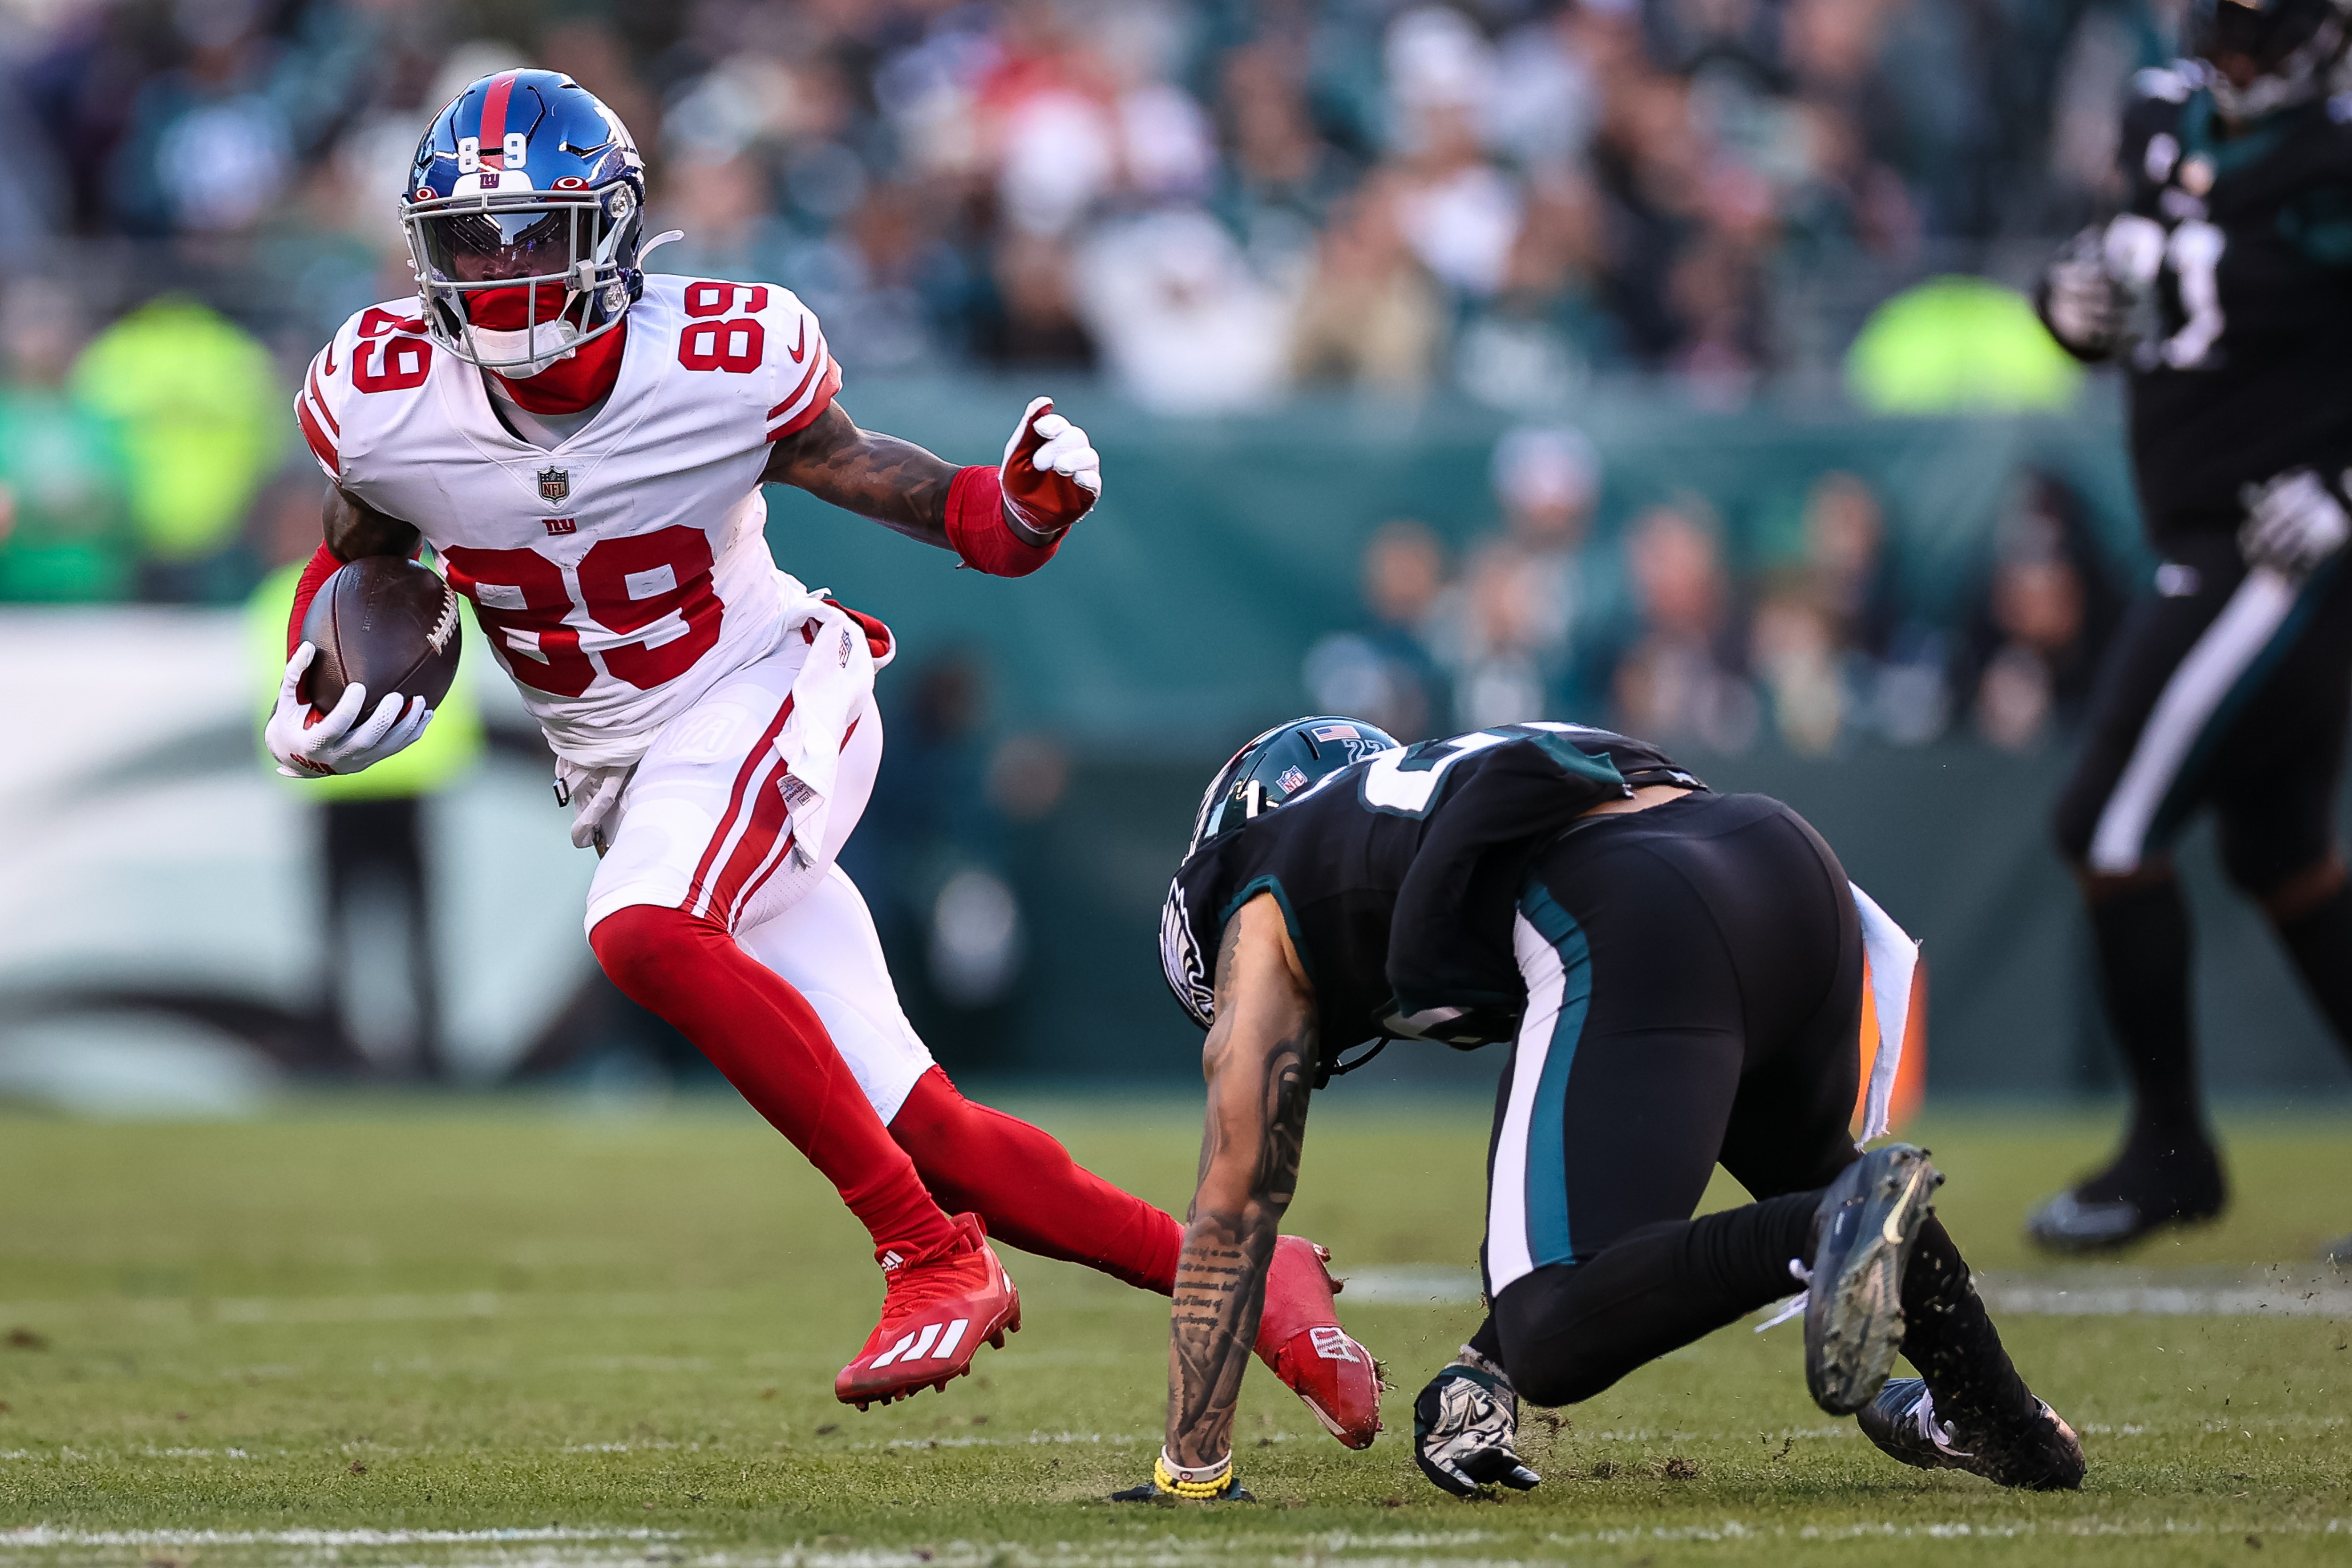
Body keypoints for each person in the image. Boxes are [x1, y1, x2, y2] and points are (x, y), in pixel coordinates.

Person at [259, 70, 1381, 1434]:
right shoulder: (384, 393)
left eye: (533, 235)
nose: (497, 276)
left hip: (772, 690)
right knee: (938, 1129)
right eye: (468, 244)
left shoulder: (718, 357)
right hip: (629, 771)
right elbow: (360, 549)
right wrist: (306, 686)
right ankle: (1259, 1281)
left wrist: (1015, 511)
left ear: (610, 233)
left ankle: (928, 1255)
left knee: (643, 930)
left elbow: (906, 490)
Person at [1120, 716, 2084, 1502]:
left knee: (1553, 1328)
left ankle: (1827, 1223)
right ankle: (2005, 1421)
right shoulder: (1420, 790)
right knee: (1800, 1162)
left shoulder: (1260, 890)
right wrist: (1478, 1364)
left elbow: (1234, 1206)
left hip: (1637, 905)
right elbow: (1619, 1169)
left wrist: (1191, 1467)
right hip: (1781, 865)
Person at [2029, 0, 2352, 1255]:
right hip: (2199, 533)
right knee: (2284, 858)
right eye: (2219, 28)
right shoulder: (2161, 111)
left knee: (2104, 824)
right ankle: (2170, 1149)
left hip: (2273, 546)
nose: (2231, 59)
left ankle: (2170, 1152)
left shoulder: (2333, 154)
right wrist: (2065, 305)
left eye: (2257, 37)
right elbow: (2112, 269)